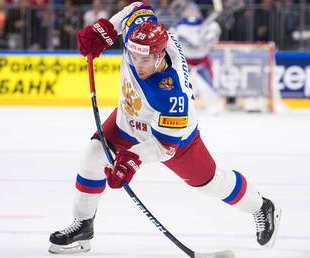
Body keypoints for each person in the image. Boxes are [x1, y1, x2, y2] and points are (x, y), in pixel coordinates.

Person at [48, 1, 281, 254]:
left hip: (173, 139)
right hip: (128, 119)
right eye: (132, 56)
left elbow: (164, 147)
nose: (137, 65)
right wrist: (106, 30)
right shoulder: (141, 32)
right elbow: (138, 7)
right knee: (93, 154)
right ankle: (83, 224)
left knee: (210, 183)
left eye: (145, 59)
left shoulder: (172, 96)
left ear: (160, 55)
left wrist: (132, 160)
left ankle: (262, 206)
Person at [170, 2, 224, 113]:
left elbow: (213, 37)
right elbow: (173, 37)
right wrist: (188, 42)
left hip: (202, 60)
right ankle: (183, 108)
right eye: (190, 10)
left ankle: (214, 107)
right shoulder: (179, 25)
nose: (192, 12)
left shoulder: (206, 25)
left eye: (194, 10)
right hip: (186, 61)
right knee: (182, 86)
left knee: (208, 85)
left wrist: (205, 40)